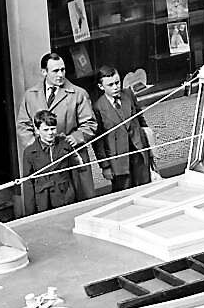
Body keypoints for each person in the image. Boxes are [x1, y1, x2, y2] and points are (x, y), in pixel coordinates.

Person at [16, 52, 96, 200]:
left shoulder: (78, 94)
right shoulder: (30, 95)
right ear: (44, 72)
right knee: (44, 201)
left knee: (77, 200)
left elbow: (90, 123)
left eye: (63, 70)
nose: (60, 74)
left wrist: (76, 137)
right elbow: (23, 124)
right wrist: (36, 146)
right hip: (43, 161)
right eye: (55, 71)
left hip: (70, 156)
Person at [93, 65, 155, 192]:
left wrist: (149, 151)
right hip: (118, 162)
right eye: (110, 85)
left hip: (139, 154)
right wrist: (105, 167)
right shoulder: (98, 107)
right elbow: (98, 141)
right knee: (124, 194)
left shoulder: (129, 94)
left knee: (146, 190)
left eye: (117, 82)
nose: (116, 87)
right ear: (101, 87)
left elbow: (141, 120)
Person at [21, 110, 83, 216]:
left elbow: (76, 172)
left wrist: (77, 197)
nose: (50, 133)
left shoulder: (65, 145)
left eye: (53, 128)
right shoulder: (29, 152)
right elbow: (28, 183)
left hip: (65, 197)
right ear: (37, 130)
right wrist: (30, 212)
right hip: (43, 201)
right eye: (46, 129)